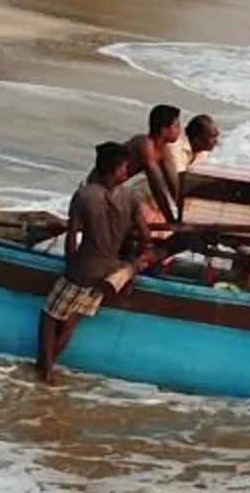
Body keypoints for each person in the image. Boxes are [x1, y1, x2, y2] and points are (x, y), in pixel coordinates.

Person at [36, 140, 137, 382]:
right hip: (110, 271)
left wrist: (71, 264)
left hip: (84, 267)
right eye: (124, 167)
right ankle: (47, 366)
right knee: (71, 320)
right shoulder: (131, 197)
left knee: (49, 317)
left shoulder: (84, 195)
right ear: (115, 169)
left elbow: (72, 237)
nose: (127, 171)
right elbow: (143, 234)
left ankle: (46, 369)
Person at [116, 103, 188, 233]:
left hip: (115, 191)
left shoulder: (163, 149)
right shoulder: (145, 144)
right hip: (98, 187)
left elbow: (174, 184)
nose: (180, 130)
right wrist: (171, 220)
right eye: (176, 126)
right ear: (164, 130)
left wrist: (186, 215)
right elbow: (157, 186)